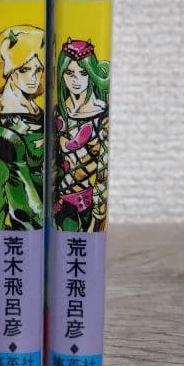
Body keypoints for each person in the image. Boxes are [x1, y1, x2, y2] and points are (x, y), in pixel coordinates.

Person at [0, 24, 46, 230]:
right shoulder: (4, 114)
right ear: (9, 69)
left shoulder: (33, 107)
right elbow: (14, 179)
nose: (33, 78)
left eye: (38, 70)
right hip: (24, 210)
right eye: (24, 69)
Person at [53, 38, 109, 232]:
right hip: (58, 199)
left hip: (88, 201)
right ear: (61, 74)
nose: (76, 80)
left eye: (83, 73)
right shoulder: (58, 112)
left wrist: (99, 215)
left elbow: (102, 168)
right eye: (69, 73)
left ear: (92, 74)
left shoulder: (101, 114)